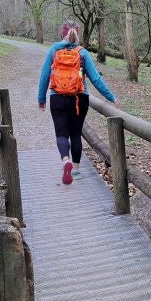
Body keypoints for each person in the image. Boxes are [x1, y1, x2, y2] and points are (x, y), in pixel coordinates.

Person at [38, 21, 116, 185]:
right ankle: (76, 170)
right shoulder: (83, 53)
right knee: (75, 134)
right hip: (80, 98)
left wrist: (41, 99)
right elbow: (96, 79)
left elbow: (44, 76)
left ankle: (65, 159)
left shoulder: (53, 50)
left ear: (62, 34)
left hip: (57, 97)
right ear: (77, 35)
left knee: (61, 134)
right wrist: (111, 97)